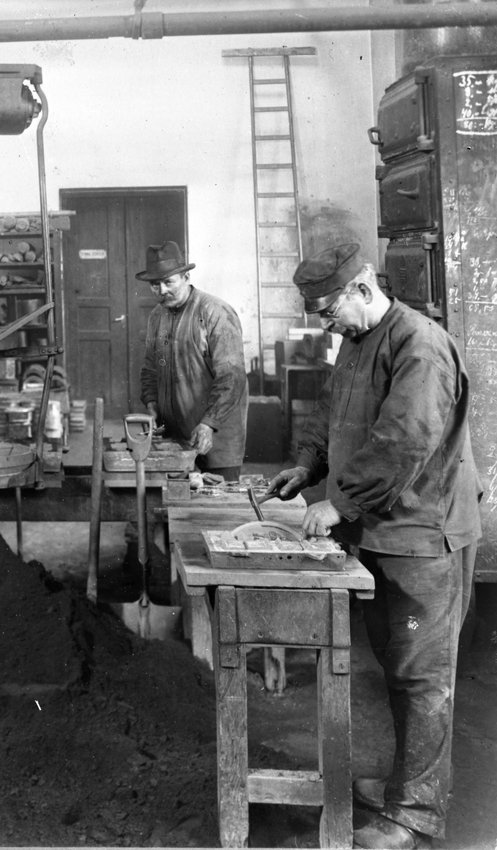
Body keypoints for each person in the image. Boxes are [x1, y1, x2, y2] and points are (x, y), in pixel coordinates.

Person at [265, 243, 481, 850]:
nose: (326, 325)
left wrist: (341, 503)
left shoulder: (420, 343)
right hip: (385, 530)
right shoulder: (358, 340)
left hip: (426, 534)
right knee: (398, 664)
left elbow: (404, 438)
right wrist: (307, 466)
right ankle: (403, 788)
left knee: (423, 676)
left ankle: (414, 817)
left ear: (362, 288)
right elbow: (333, 415)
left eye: (329, 311)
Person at [137, 241, 248, 481]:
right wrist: (152, 405)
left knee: (218, 498)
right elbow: (150, 370)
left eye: (168, 282)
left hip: (215, 435)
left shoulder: (215, 313)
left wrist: (209, 423)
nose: (162, 290)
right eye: (155, 284)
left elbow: (231, 377)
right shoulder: (157, 317)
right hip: (174, 438)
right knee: (175, 499)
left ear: (186, 277)